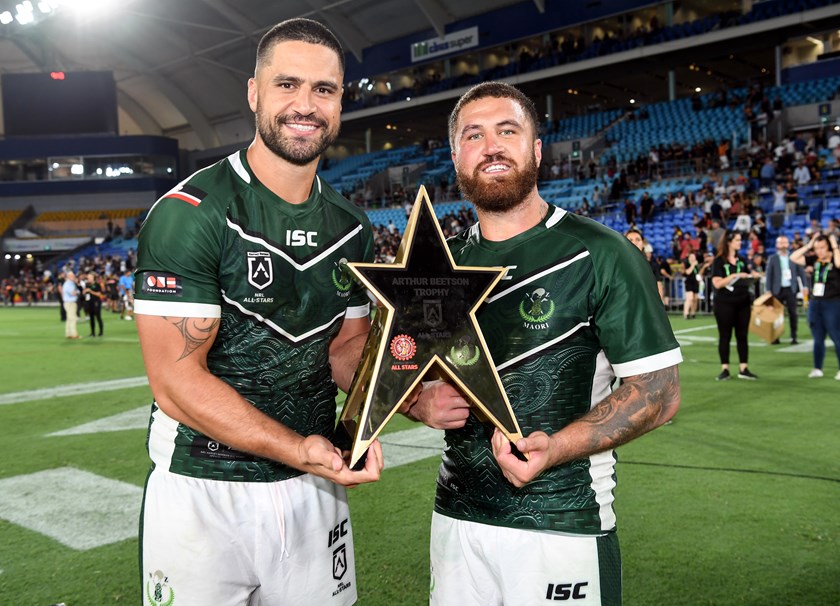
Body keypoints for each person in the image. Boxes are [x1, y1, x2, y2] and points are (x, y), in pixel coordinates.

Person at [133, 19, 383, 605]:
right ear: (253, 93)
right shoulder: (191, 213)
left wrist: (395, 398)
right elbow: (175, 381)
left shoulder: (351, 228)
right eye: (287, 84)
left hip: (314, 486)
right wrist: (296, 447)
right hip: (202, 488)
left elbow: (346, 348)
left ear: (340, 101)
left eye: (324, 89)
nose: (306, 105)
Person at [404, 82, 681, 606]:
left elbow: (659, 393)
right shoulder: (436, 264)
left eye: (508, 131)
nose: (492, 146)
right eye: (474, 135)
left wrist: (556, 447)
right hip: (456, 521)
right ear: (456, 156)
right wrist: (419, 403)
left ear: (535, 150)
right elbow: (405, 371)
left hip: (563, 523)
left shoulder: (601, 253)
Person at [711, 230, 761, 380]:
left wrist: (753, 277)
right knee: (725, 336)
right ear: (729, 242)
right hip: (724, 303)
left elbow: (746, 275)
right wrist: (734, 276)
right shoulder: (719, 261)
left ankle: (743, 367)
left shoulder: (742, 260)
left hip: (743, 302)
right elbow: (717, 283)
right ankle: (725, 368)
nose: (740, 243)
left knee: (742, 335)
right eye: (737, 240)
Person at [791, 233, 840, 379]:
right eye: (817, 248)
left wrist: (835, 245)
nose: (819, 251)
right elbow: (793, 258)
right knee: (817, 338)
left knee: (836, 336)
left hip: (833, 302)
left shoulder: (835, 258)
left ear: (829, 248)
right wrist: (809, 244)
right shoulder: (814, 260)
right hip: (815, 302)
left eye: (822, 247)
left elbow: (839, 264)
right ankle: (817, 368)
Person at [765, 235, 808, 345]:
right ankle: (775, 337)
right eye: (781, 242)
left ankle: (794, 336)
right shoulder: (773, 258)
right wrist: (768, 290)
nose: (783, 245)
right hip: (777, 290)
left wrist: (805, 286)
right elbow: (769, 275)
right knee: (776, 315)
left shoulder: (794, 257)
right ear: (777, 245)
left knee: (793, 313)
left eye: (785, 242)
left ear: (788, 244)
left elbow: (801, 273)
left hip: (791, 289)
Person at [83, 271, 105, 337]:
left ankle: (101, 332)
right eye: (88, 277)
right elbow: (85, 293)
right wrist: (84, 292)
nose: (88, 278)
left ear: (93, 278)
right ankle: (92, 333)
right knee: (91, 318)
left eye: (89, 277)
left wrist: (90, 291)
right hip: (89, 302)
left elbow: (99, 294)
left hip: (96, 303)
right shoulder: (87, 284)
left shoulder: (97, 285)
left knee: (98, 317)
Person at [682, 250, 702, 319]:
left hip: (695, 282)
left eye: (694, 257)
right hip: (689, 282)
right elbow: (688, 272)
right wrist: (693, 265)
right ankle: (686, 313)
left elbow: (697, 273)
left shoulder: (697, 265)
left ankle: (693, 313)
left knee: (695, 299)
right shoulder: (687, 264)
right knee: (689, 298)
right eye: (692, 257)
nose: (693, 258)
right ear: (689, 258)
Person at [61, 271, 80, 339]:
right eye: (73, 276)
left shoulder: (69, 283)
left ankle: (68, 333)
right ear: (69, 277)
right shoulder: (69, 284)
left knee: (69, 319)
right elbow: (73, 293)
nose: (74, 277)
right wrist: (78, 292)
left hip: (68, 302)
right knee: (73, 319)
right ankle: (74, 334)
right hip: (70, 303)